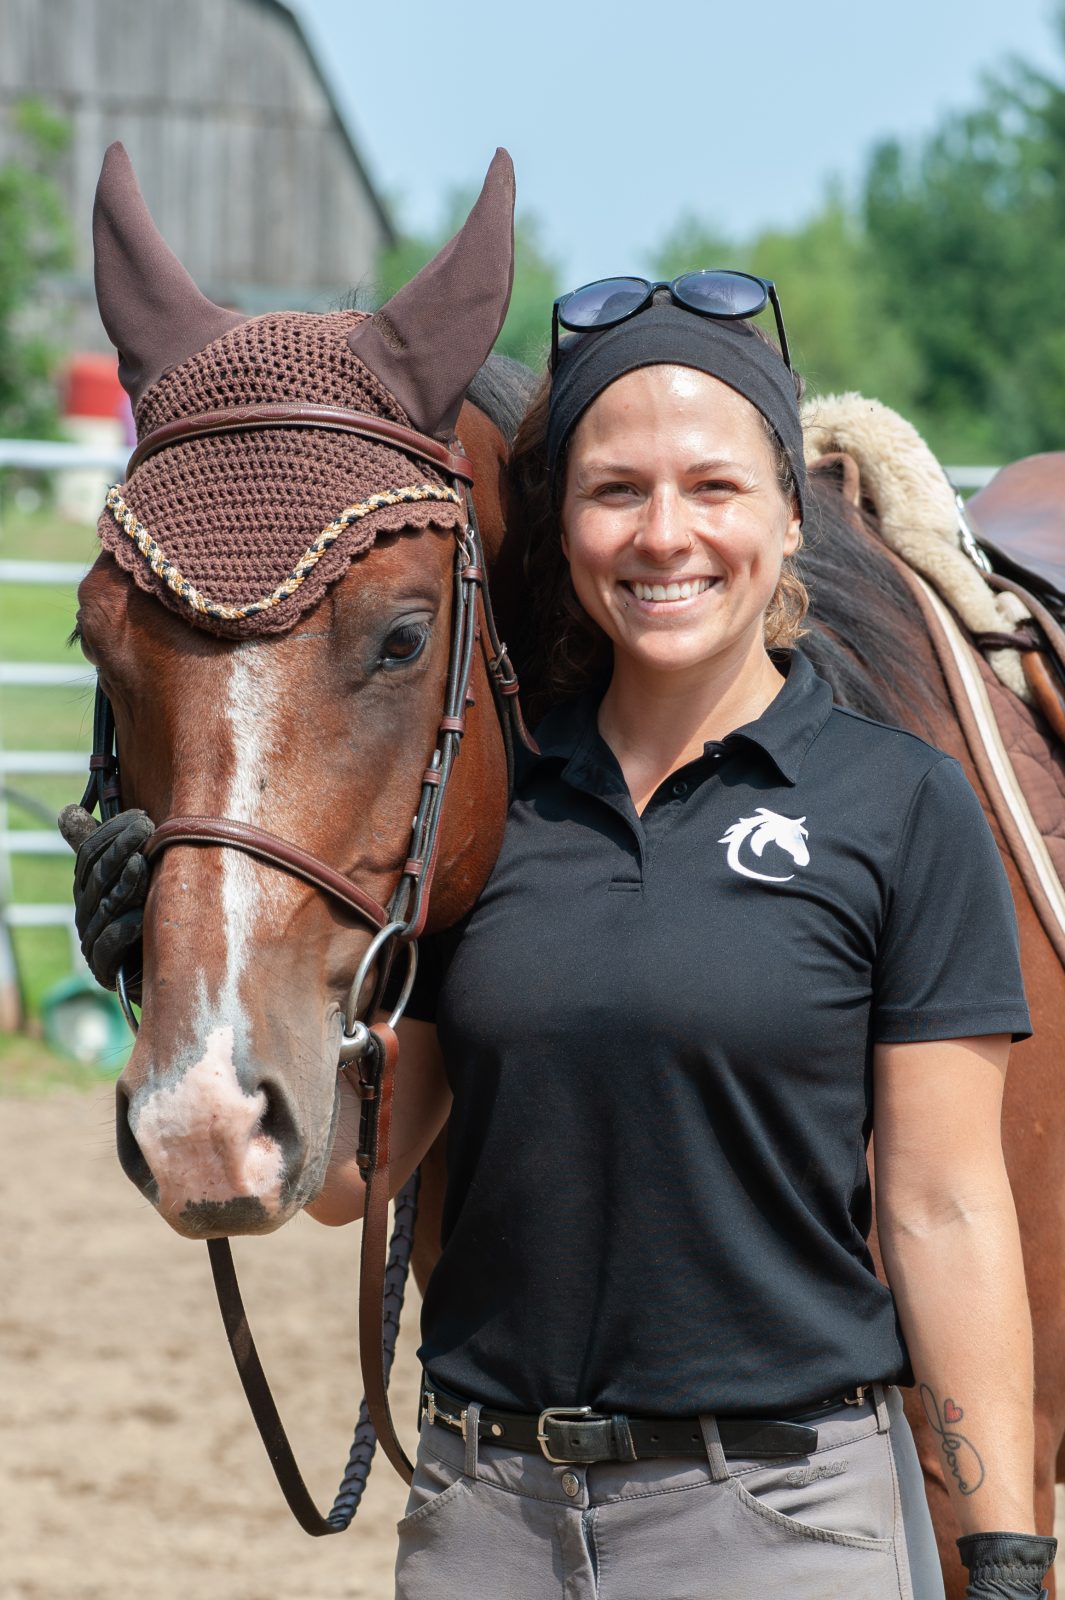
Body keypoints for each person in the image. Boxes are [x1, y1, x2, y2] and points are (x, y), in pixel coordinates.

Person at [72, 273, 1056, 1600]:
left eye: (713, 489)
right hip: (491, 1519)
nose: (664, 537)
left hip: (779, 1524)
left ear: (788, 507)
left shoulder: (895, 806)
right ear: (561, 527)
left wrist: (1001, 1556)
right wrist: (171, 982)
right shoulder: (476, 825)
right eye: (614, 492)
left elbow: (943, 1207)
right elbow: (352, 1178)